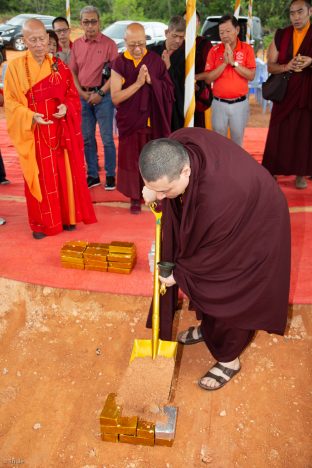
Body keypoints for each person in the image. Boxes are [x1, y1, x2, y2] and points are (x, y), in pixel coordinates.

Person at [139, 128, 290, 391]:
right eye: (156, 189)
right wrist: (153, 190)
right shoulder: (176, 145)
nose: (161, 197)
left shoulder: (218, 197)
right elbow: (186, 225)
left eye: (165, 190)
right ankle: (209, 329)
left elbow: (210, 259)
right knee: (197, 269)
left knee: (225, 286)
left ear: (185, 172)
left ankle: (229, 359)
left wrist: (178, 275)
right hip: (231, 206)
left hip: (257, 222)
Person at [4, 19, 97, 239]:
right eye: (32, 40)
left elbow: (72, 96)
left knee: (63, 175)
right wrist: (30, 116)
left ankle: (66, 218)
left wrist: (66, 106)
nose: (38, 44)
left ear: (48, 40)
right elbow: (10, 103)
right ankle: (42, 224)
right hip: (34, 132)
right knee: (40, 177)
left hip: (58, 130)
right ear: (24, 41)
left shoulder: (59, 66)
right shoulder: (15, 68)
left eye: (41, 39)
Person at [110, 23, 174, 214]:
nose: (137, 49)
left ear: (145, 40)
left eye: (140, 44)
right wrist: (138, 84)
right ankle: (135, 197)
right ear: (125, 42)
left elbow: (169, 90)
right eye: (132, 45)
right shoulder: (119, 63)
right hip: (131, 122)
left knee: (154, 160)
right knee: (132, 159)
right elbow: (116, 97)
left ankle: (157, 194)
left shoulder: (154, 60)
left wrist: (152, 81)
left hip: (153, 120)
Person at [262, 0, 312, 190]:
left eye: (300, 12)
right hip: (285, 93)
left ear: (310, 11)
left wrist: (310, 61)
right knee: (278, 132)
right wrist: (287, 66)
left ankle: (301, 174)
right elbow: (271, 65)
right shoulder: (281, 35)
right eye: (292, 13)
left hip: (306, 94)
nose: (296, 17)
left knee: (304, 133)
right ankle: (272, 170)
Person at [69, 5, 118, 190]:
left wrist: (101, 93)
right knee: (87, 138)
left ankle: (111, 175)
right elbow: (72, 72)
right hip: (83, 96)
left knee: (107, 138)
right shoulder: (77, 45)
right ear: (81, 23)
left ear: (99, 22)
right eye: (86, 22)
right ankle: (93, 175)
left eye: (93, 21)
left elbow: (116, 73)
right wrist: (82, 93)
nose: (90, 26)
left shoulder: (109, 44)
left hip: (103, 97)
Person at [204, 14, 256, 146]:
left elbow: (251, 75)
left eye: (228, 31)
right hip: (218, 103)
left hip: (240, 104)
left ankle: (236, 166)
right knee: (218, 141)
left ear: (237, 30)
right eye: (221, 32)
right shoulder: (214, 51)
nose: (224, 35)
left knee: (237, 141)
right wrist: (224, 64)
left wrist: (233, 63)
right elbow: (208, 78)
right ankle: (220, 166)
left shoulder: (247, 49)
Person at [148, 16, 186, 131]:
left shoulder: (186, 56)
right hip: (155, 105)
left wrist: (169, 67)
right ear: (166, 32)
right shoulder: (153, 51)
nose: (178, 41)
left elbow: (182, 83)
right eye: (175, 36)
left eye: (181, 37)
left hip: (175, 107)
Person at [183, 10, 213, 128]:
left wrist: (193, 80)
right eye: (186, 21)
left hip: (198, 92)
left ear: (198, 23)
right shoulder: (178, 43)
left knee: (197, 127)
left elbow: (209, 71)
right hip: (179, 92)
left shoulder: (205, 44)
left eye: (193, 21)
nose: (189, 24)